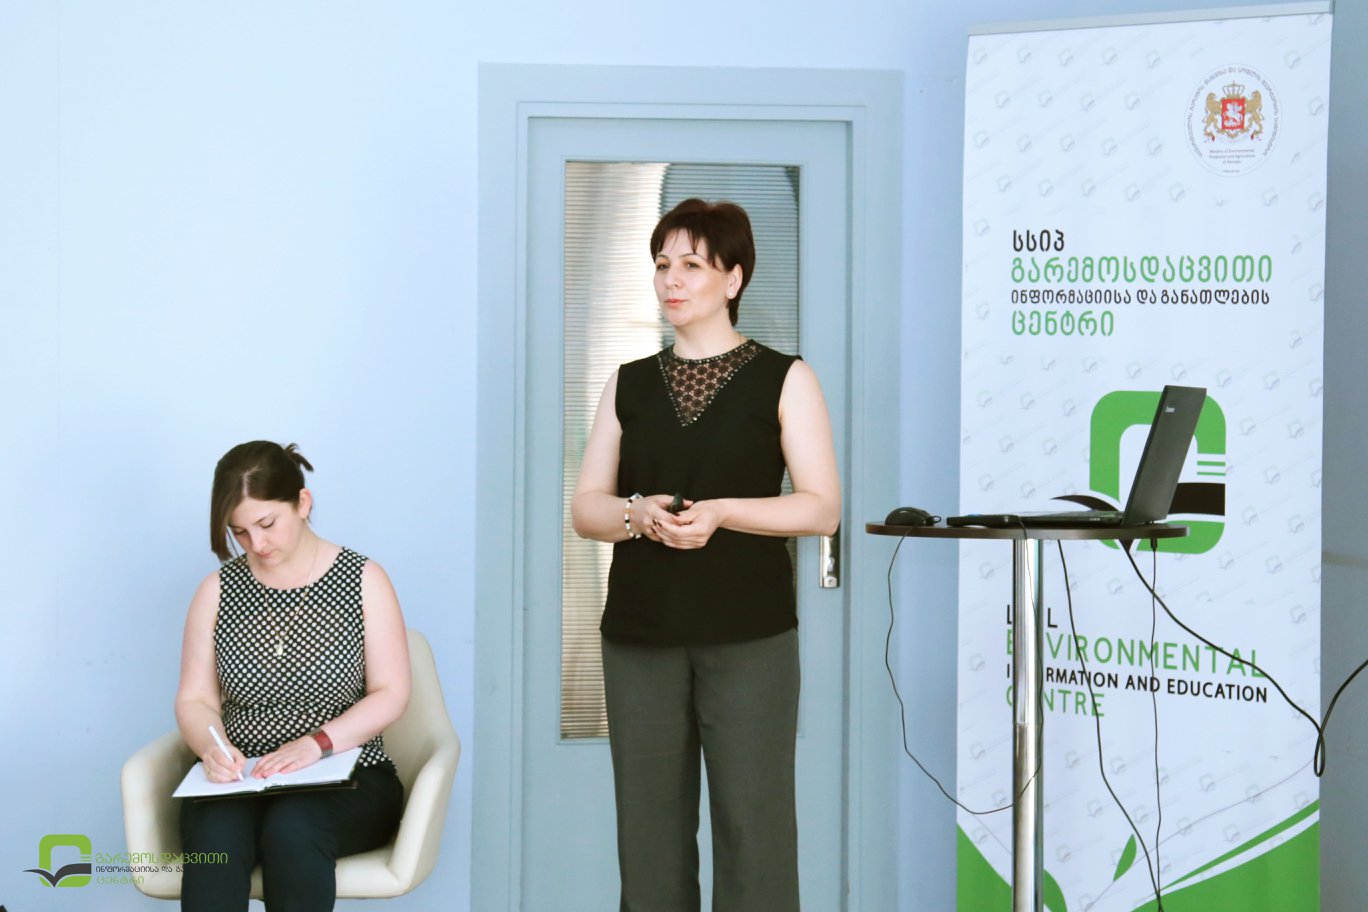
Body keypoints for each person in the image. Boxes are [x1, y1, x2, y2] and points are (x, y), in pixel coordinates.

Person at [571, 198, 841, 911]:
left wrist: (723, 512)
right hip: (640, 637)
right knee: (649, 843)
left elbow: (822, 507)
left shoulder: (785, 378)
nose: (672, 279)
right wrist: (634, 513)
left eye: (692, 264)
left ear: (734, 279)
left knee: (756, 834)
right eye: (662, 263)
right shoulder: (628, 383)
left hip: (750, 637)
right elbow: (587, 508)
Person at [174, 441, 410, 912]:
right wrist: (212, 748)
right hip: (242, 777)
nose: (257, 545)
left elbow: (391, 692)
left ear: (302, 503)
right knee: (217, 840)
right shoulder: (217, 590)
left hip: (348, 774)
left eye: (267, 524)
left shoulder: (363, 579)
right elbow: (195, 698)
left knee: (293, 829)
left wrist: (316, 744)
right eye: (240, 532)